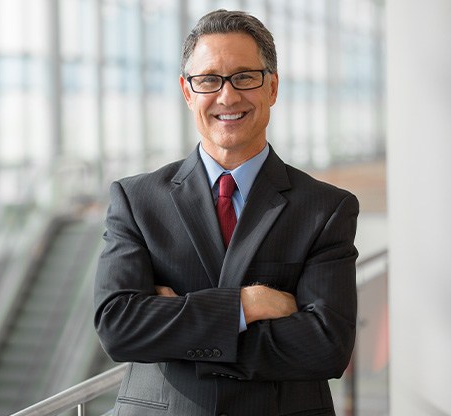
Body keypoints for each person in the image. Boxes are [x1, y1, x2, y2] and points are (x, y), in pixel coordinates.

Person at [93, 9, 358, 416]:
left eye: (244, 77)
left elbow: (326, 347)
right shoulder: (137, 199)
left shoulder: (325, 208)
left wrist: (175, 330)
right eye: (209, 80)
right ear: (187, 91)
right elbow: (117, 327)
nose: (227, 96)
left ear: (272, 87)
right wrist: (246, 306)